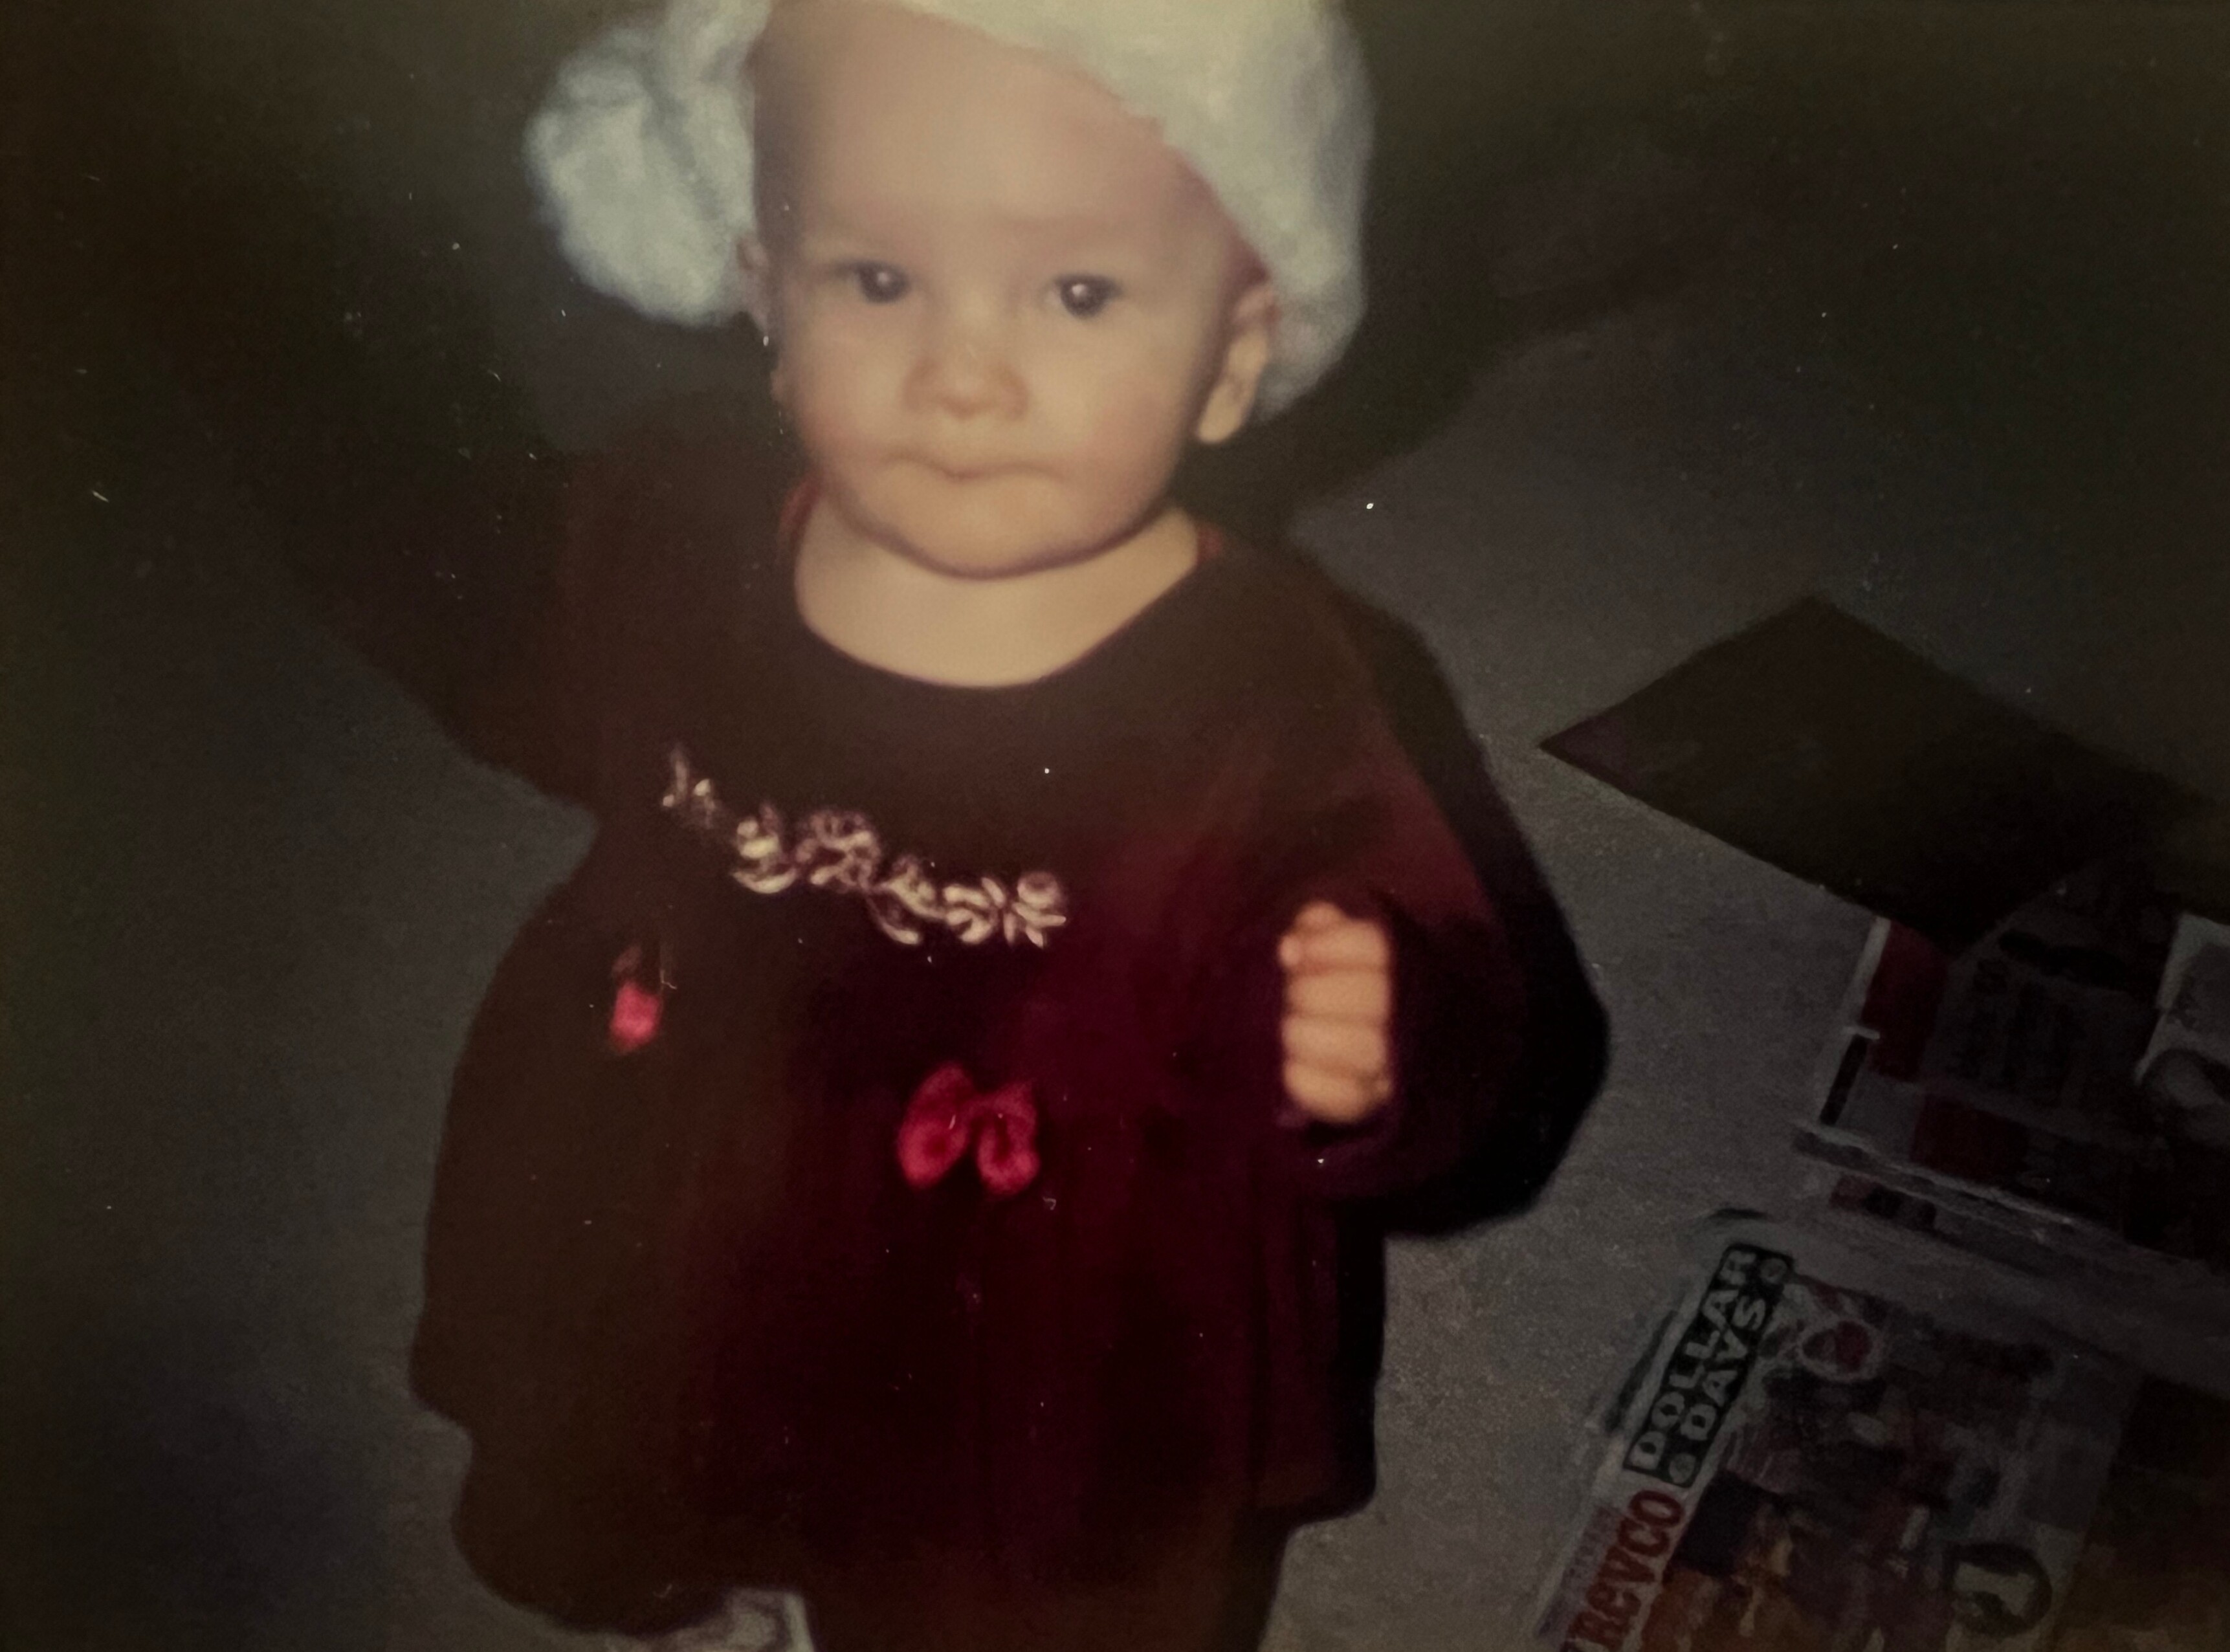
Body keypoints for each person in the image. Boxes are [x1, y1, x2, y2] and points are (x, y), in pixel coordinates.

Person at [136, 0, 1603, 1646]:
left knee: (1017, 1574)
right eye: (879, 279)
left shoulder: (1264, 688)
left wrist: (1378, 1034)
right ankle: (646, 1540)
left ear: (1235, 351)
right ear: (764, 289)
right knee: (623, 1410)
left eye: (1076, 292)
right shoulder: (678, 535)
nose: (963, 372)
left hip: (1041, 1274)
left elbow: (1449, 964)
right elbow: (511, 641)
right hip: (685, 1148)